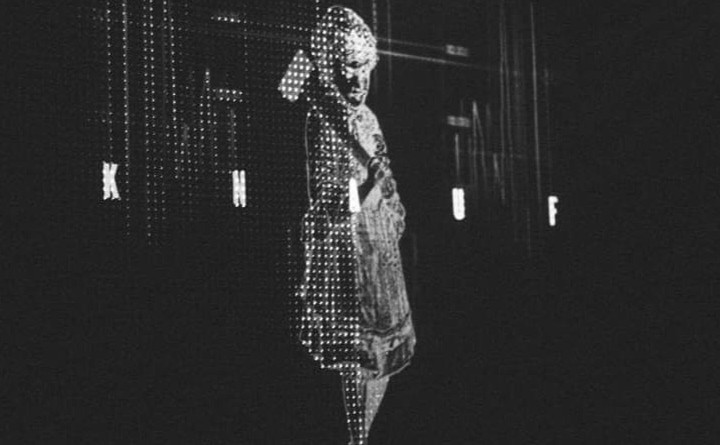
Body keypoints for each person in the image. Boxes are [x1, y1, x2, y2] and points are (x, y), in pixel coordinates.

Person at [295, 6, 416, 445]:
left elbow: (386, 176)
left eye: (366, 67)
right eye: (350, 66)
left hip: (380, 252)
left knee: (379, 359)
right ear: (332, 66)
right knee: (355, 355)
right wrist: (364, 185)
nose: (360, 79)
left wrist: (392, 202)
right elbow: (328, 199)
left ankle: (363, 436)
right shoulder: (322, 121)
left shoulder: (368, 119)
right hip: (346, 255)